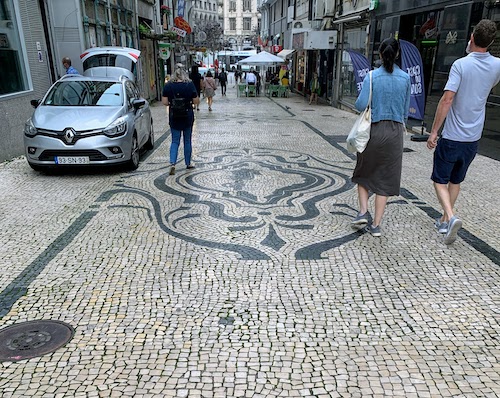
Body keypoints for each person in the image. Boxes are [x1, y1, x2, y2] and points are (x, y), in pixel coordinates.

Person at [427, 19, 500, 245]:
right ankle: (443, 219)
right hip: (473, 138)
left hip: (452, 136)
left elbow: (447, 99)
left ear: (471, 37)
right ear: (491, 42)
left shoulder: (460, 65)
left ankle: (450, 217)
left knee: (439, 179)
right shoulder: (497, 65)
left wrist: (434, 131)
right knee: (456, 180)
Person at [351, 38, 411, 237]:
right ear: (397, 54)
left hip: (373, 132)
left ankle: (362, 211)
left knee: (363, 172)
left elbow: (360, 105)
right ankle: (376, 225)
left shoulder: (372, 77)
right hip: (395, 134)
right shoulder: (405, 78)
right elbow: (405, 112)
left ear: (379, 54)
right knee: (385, 179)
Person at [162, 65, 200, 175]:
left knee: (175, 141)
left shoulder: (168, 85)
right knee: (187, 140)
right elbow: (196, 100)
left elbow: (164, 102)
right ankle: (188, 163)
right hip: (187, 115)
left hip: (174, 116)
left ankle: (172, 163)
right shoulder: (189, 84)